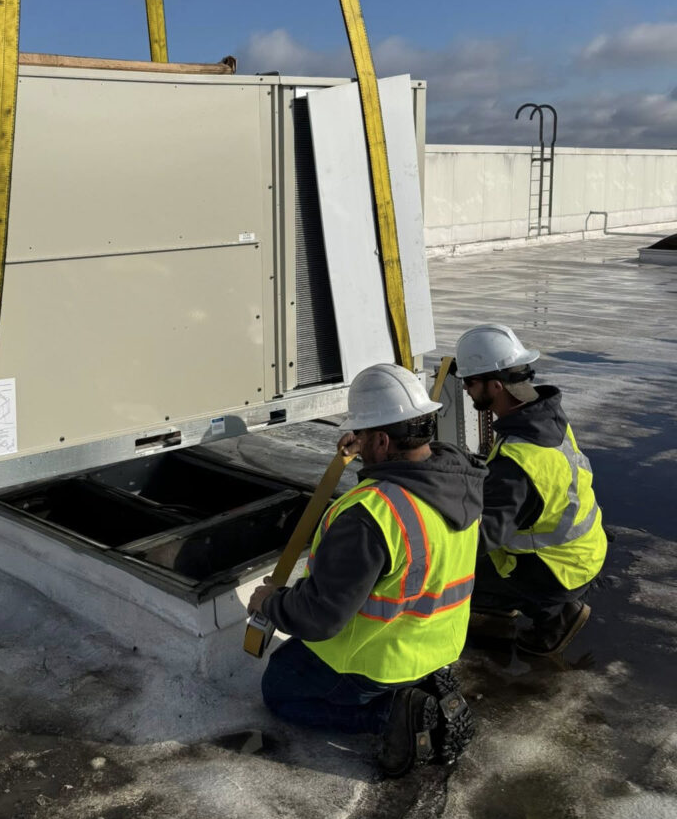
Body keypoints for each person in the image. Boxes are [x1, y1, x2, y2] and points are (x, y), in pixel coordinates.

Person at [248, 363, 485, 777]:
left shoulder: (371, 515)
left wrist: (272, 603)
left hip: (378, 660)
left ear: (380, 438)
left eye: (362, 435)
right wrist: (359, 453)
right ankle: (420, 693)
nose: (353, 441)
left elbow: (321, 617)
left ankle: (394, 718)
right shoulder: (458, 480)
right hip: (436, 644)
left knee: (280, 690)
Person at [454, 324, 607, 656]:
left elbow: (479, 540)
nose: (465, 390)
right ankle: (526, 599)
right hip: (584, 552)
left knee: (458, 577)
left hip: (559, 570)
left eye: (469, 382)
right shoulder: (546, 420)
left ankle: (554, 616)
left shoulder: (517, 464)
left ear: (495, 386)